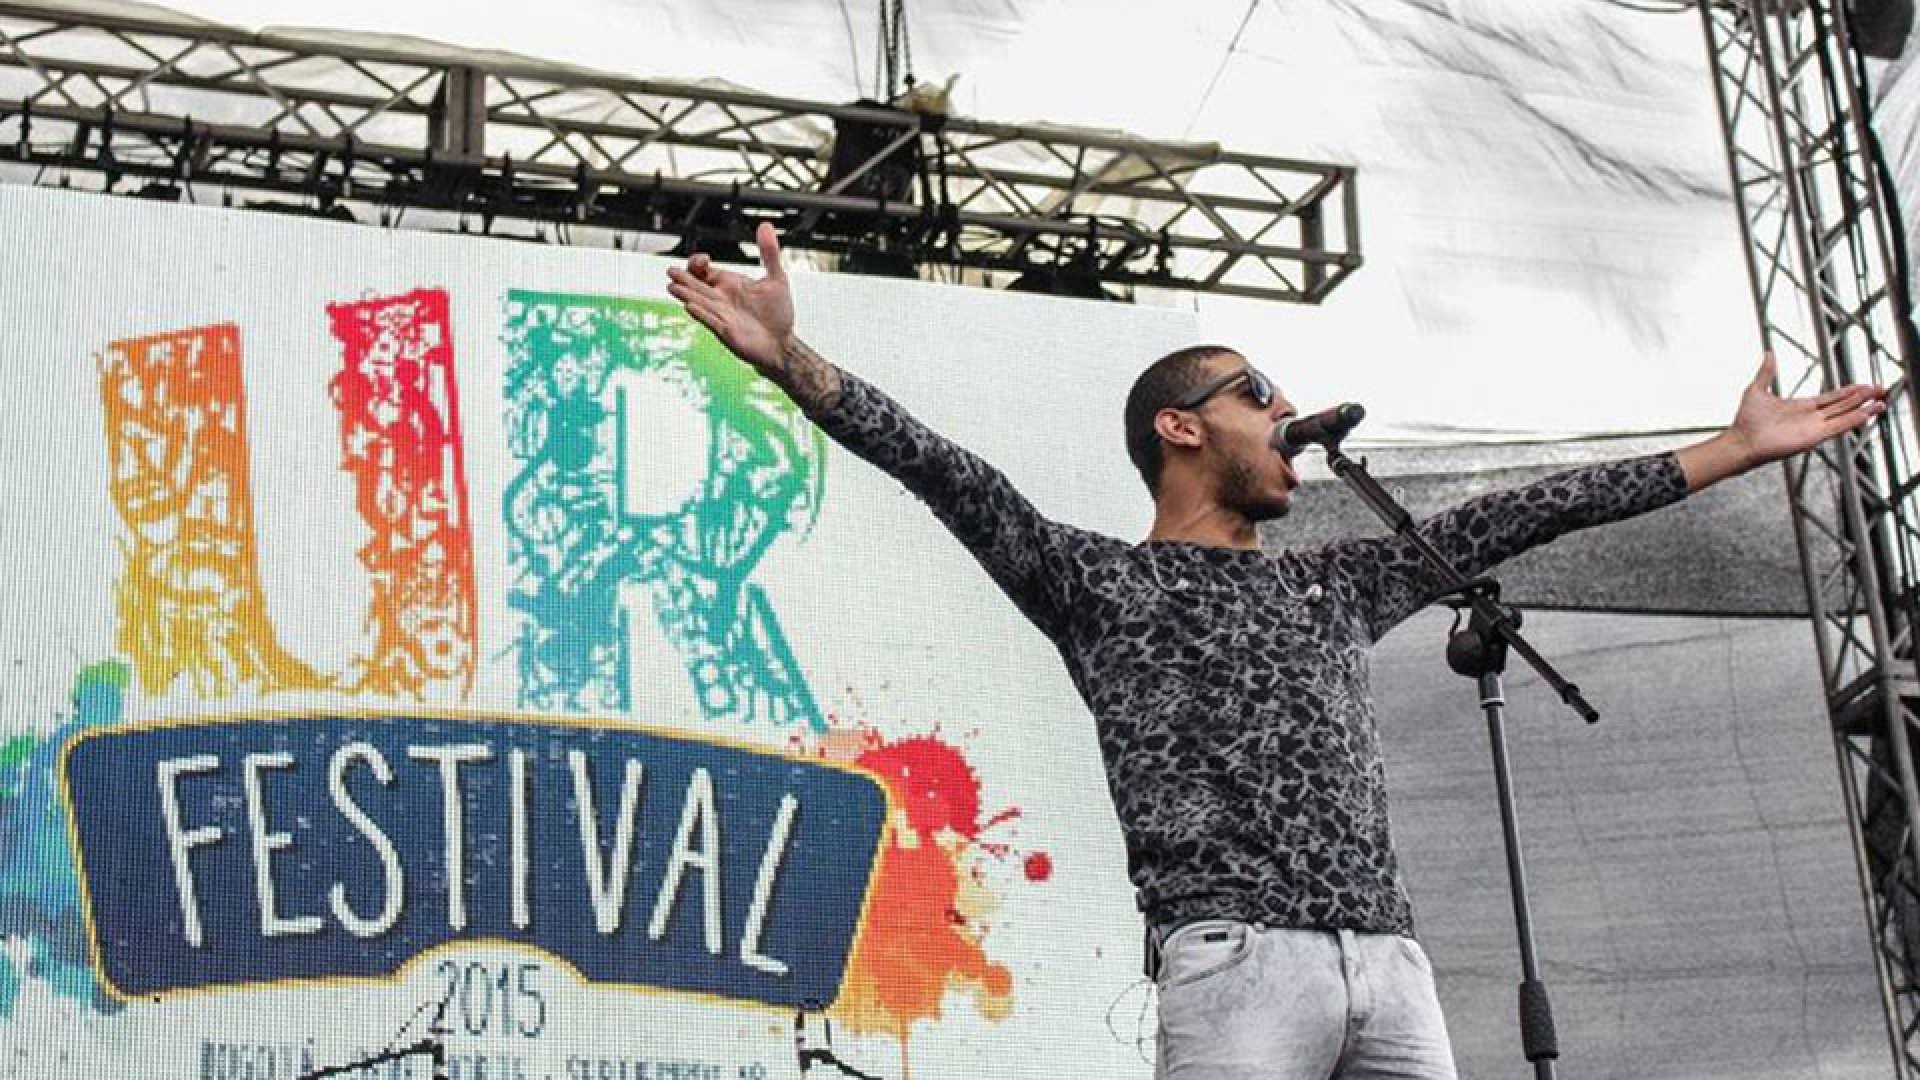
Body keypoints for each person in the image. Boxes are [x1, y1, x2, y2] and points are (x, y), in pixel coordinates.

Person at [667, 223, 1886, 1079]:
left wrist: (1729, 452)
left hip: (1390, 962)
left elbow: (1526, 511)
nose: (1285, 416)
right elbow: (948, 471)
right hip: (1236, 962)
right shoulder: (1100, 582)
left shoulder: (1337, 582)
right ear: (1181, 426)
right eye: (1258, 394)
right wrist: (795, 363)